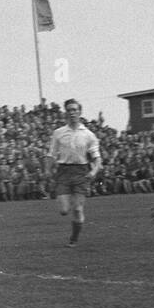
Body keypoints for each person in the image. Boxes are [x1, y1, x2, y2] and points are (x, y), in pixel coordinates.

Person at [48, 98, 102, 246]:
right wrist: (48, 170)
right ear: (65, 113)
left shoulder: (89, 135)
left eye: (74, 110)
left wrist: (94, 171)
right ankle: (69, 199)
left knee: (77, 209)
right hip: (63, 172)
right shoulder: (58, 133)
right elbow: (51, 153)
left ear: (80, 112)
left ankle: (74, 239)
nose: (72, 113)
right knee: (64, 210)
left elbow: (97, 158)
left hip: (81, 172)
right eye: (69, 110)